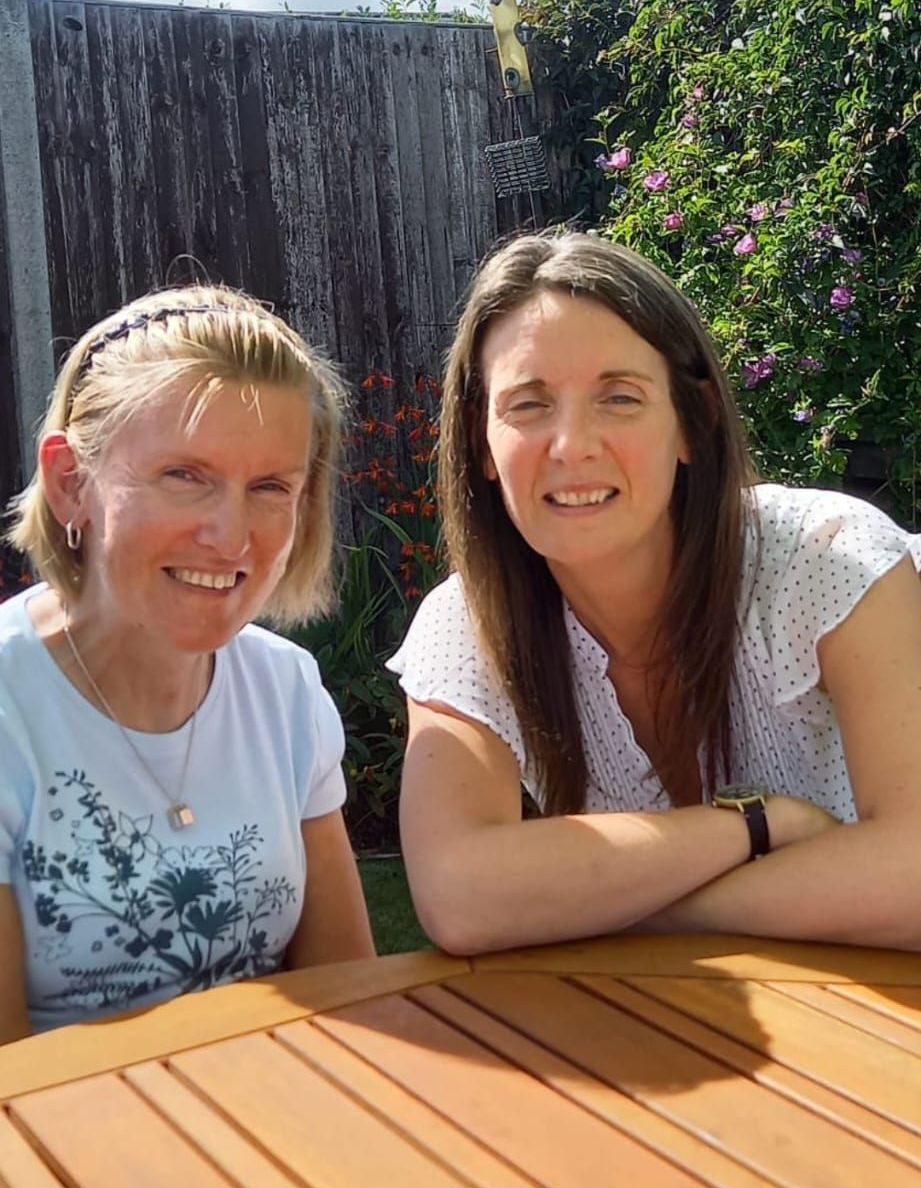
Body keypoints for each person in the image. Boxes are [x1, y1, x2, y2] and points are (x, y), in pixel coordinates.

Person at [388, 231, 921, 956]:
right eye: (528, 404)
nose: (572, 444)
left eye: (618, 397)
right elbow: (457, 895)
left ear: (690, 422)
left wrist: (631, 906)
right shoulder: (467, 625)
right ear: (481, 443)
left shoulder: (824, 558)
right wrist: (754, 827)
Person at [0, 286, 375, 1044]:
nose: (231, 536)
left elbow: (348, 1001)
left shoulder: (285, 688)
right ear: (73, 482)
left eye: (271, 488)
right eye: (185, 475)